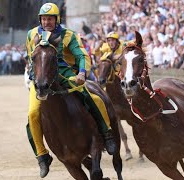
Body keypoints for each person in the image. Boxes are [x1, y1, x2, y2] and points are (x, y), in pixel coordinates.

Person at [25, 3, 116, 178]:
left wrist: (82, 72)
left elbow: (82, 55)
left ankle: (107, 133)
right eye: (43, 19)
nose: (46, 22)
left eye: (50, 19)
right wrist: (34, 76)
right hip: (41, 76)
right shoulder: (31, 35)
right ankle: (42, 155)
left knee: (94, 98)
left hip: (64, 73)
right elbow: (31, 57)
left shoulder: (69, 35)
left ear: (57, 19)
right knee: (33, 114)